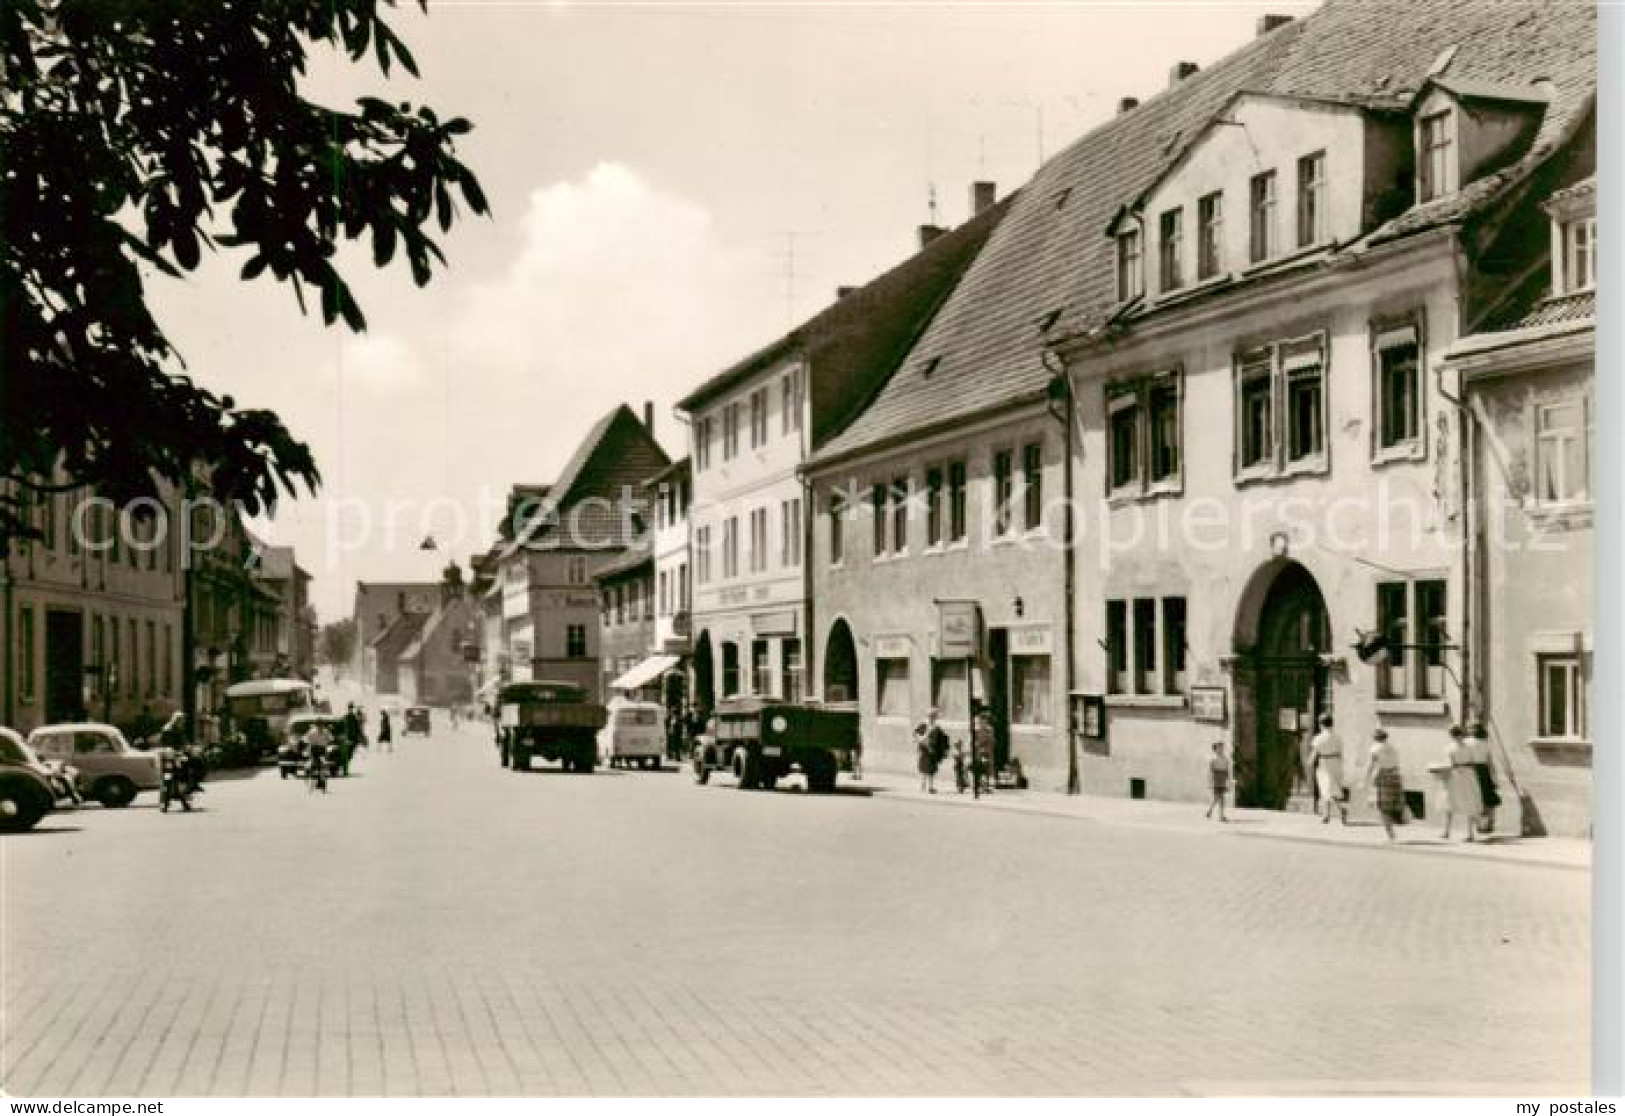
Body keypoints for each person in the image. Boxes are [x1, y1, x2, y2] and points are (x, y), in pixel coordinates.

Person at [1442, 724, 1484, 842]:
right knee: (1458, 802)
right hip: (1465, 775)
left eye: (1457, 735)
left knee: (1458, 801)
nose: (1457, 737)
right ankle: (1451, 831)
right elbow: (1474, 761)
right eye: (1456, 735)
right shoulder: (1465, 747)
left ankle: (1457, 832)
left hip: (1460, 775)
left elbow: (1450, 764)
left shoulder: (1452, 747)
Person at [1365, 727, 1404, 841]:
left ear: (1374, 738)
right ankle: (1392, 830)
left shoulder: (1374, 749)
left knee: (1383, 807)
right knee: (1393, 804)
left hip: (1383, 776)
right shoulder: (1393, 747)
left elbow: (1370, 766)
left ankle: (1390, 835)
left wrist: (1365, 779)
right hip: (1395, 775)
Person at [1309, 714, 1348, 825]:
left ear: (1321, 724)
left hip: (1325, 763)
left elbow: (1314, 753)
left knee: (1326, 789)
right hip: (1336, 763)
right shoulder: (1337, 737)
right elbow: (1341, 752)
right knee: (1333, 788)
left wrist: (1310, 762)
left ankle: (1337, 811)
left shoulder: (1319, 738)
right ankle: (1328, 814)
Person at [1466, 721, 1501, 834]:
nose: (1468, 730)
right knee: (1487, 798)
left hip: (1473, 770)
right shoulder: (1485, 742)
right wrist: (1494, 777)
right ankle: (1488, 823)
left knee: (1475, 798)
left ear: (1473, 729)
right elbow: (1490, 762)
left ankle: (1480, 825)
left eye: (1470, 728)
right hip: (1484, 770)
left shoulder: (1467, 742)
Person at [971, 711, 996, 795]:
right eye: (981, 720)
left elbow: (992, 740)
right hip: (979, 752)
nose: (983, 722)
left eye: (984, 720)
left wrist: (989, 746)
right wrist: (976, 745)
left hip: (987, 751)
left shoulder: (990, 729)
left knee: (987, 769)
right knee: (980, 768)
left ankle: (986, 786)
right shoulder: (976, 730)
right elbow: (973, 741)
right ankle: (981, 786)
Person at [1205, 741, 1230, 822]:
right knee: (1217, 797)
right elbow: (1210, 771)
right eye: (1219, 748)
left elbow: (1227, 770)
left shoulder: (1225, 758)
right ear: (1215, 749)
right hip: (1216, 778)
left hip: (1222, 778)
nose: (1221, 750)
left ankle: (1216, 813)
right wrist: (1210, 781)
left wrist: (1228, 780)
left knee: (1220, 797)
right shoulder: (1213, 759)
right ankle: (1215, 813)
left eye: (1222, 748)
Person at [914, 722, 936, 793]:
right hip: (926, 756)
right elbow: (925, 744)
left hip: (925, 756)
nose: (925, 730)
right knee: (928, 772)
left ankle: (925, 787)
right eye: (924, 728)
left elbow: (926, 745)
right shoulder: (922, 737)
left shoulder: (920, 737)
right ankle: (929, 787)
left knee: (926, 772)